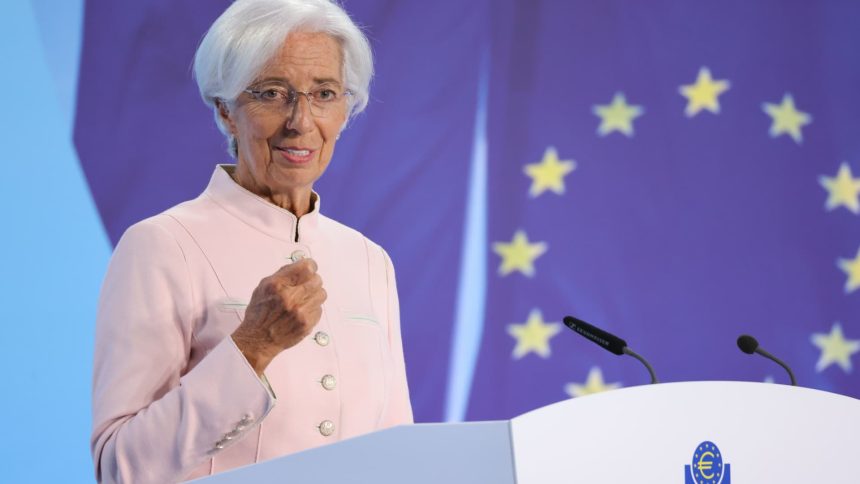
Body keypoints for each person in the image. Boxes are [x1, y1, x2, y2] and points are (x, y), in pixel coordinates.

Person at [90, 1, 413, 482]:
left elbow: (399, 452)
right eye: (272, 93)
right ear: (226, 109)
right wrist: (253, 346)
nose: (301, 121)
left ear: (346, 109)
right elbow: (121, 467)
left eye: (324, 93)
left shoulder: (369, 260)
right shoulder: (163, 245)